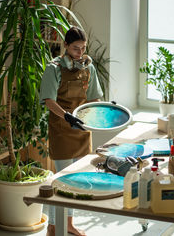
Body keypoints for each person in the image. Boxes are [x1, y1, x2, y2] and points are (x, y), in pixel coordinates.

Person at [39, 26, 103, 236]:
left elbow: (94, 97)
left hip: (82, 129)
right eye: (75, 48)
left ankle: (68, 224)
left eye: (83, 48)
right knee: (61, 180)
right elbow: (49, 101)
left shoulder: (88, 68)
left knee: (76, 180)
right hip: (62, 129)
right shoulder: (54, 68)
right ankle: (52, 226)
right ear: (65, 46)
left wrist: (101, 112)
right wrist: (66, 116)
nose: (80, 53)